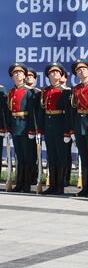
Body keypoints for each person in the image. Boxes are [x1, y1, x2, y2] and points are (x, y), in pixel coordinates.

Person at [38, 62, 72, 195]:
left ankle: (60, 185)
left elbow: (68, 114)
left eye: (57, 72)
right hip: (49, 125)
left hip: (60, 125)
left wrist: (67, 131)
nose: (54, 74)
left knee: (61, 156)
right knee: (51, 157)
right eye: (52, 72)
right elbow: (42, 112)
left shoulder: (66, 91)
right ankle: (52, 184)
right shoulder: (45, 91)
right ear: (48, 75)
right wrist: (40, 129)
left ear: (61, 75)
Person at [70, 59, 88, 197]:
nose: (81, 71)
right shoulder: (76, 88)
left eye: (83, 69)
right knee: (83, 157)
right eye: (78, 70)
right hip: (79, 125)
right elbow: (73, 109)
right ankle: (85, 187)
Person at [7, 63, 37, 192]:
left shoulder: (29, 91)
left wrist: (32, 129)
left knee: (28, 156)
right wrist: (8, 128)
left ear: (24, 76)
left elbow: (32, 113)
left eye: (20, 72)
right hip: (15, 126)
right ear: (12, 76)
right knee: (19, 157)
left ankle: (26, 184)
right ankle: (19, 184)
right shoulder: (11, 92)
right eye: (15, 73)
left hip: (25, 126)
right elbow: (9, 112)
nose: (17, 74)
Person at [25, 67, 41, 185]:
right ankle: (24, 178)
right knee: (23, 155)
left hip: (34, 126)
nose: (28, 77)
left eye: (31, 75)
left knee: (34, 154)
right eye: (27, 75)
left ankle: (34, 177)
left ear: (35, 78)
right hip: (23, 125)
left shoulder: (38, 92)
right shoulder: (21, 91)